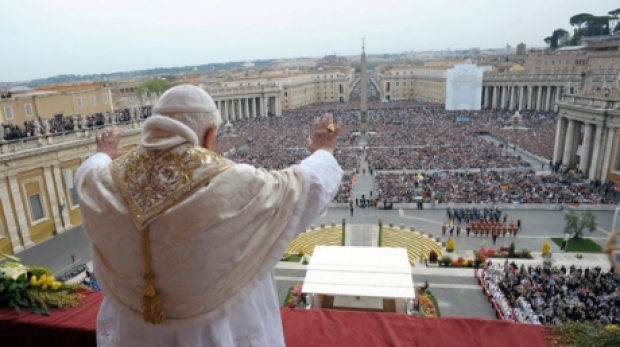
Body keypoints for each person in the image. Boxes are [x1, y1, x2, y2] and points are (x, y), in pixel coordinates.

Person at [76, 85, 343, 347]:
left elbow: (86, 173)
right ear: (210, 135)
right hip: (215, 333)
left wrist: (102, 153)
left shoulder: (103, 180)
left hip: (137, 332)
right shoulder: (234, 183)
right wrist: (324, 149)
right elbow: (307, 186)